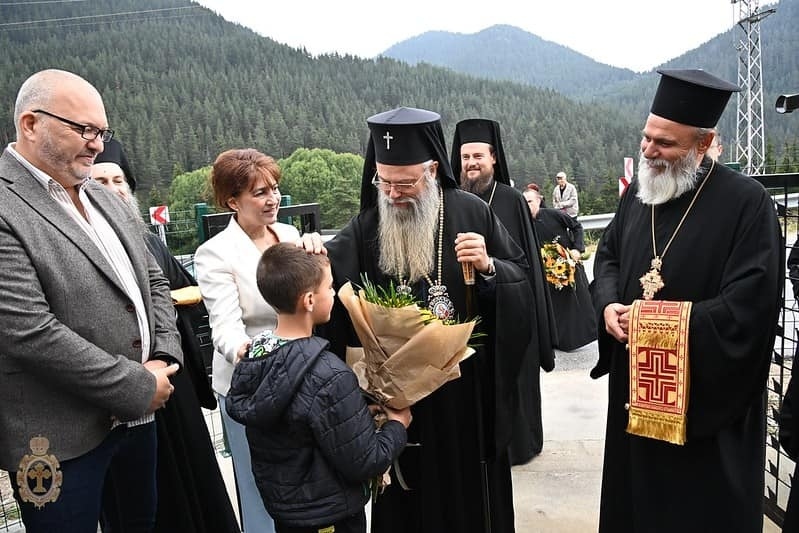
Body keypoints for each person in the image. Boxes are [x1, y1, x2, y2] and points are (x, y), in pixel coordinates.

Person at [321, 106, 536, 533]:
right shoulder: (367, 225)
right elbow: (327, 274)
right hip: (399, 402)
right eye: (384, 182)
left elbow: (522, 280)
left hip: (462, 396)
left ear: (433, 169)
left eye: (405, 183)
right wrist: (312, 251)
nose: (394, 193)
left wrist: (491, 267)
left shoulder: (473, 213)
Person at [591, 69, 782, 532]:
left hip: (706, 408)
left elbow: (750, 307)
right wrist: (609, 304)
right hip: (637, 400)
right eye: (647, 137)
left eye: (666, 144)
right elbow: (609, 257)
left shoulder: (747, 204)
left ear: (703, 144)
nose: (650, 151)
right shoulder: (639, 196)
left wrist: (657, 323)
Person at [0, 68, 181, 533]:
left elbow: (154, 282)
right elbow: (29, 332)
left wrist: (163, 357)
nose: (96, 143)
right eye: (82, 129)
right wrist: (139, 386)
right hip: (55, 439)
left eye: (100, 131)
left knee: (139, 523)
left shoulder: (106, 197)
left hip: (136, 423)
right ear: (30, 124)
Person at [92, 139, 241, 533]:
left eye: (118, 180)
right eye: (101, 181)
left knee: (197, 478)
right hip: (122, 391)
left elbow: (188, 291)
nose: (113, 189)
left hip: (174, 387)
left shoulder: (150, 242)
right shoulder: (85, 248)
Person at [225, 243, 411, 533]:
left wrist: (356, 411)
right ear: (309, 300)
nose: (335, 294)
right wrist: (397, 426)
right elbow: (365, 460)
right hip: (331, 516)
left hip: (288, 514)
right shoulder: (329, 374)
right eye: (330, 287)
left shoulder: (253, 358)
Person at [194, 148, 303, 533]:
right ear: (232, 201)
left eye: (274, 188)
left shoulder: (290, 235)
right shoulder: (214, 254)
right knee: (259, 486)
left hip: (300, 376)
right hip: (249, 385)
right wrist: (256, 355)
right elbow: (225, 328)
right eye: (259, 192)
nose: (272, 198)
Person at [450, 117, 556, 465]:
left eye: (478, 156)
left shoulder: (511, 200)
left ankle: (518, 445)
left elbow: (528, 269)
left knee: (514, 382)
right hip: (468, 316)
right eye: (465, 157)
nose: (471, 164)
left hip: (509, 311)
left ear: (494, 158)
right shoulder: (452, 201)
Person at [524, 183, 595, 351]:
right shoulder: (524, 223)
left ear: (539, 201)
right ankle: (554, 340)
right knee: (552, 306)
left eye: (530, 201)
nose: (528, 206)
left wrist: (577, 249)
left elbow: (576, 227)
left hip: (567, 264)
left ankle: (579, 337)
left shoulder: (554, 215)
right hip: (545, 271)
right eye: (524, 202)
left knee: (574, 302)